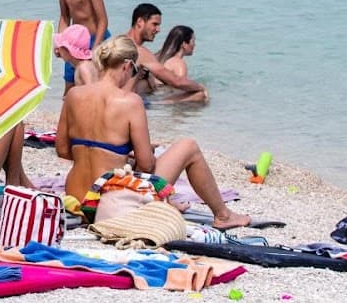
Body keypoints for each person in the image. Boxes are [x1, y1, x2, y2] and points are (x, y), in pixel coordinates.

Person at [55, 36, 247, 228]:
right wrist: (133, 154)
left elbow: (62, 150)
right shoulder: (130, 101)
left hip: (79, 200)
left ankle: (172, 204)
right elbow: (147, 165)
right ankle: (223, 216)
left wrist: (111, 154)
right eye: (134, 71)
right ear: (127, 66)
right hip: (110, 203)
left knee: (128, 162)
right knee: (188, 147)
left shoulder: (74, 95)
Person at [125, 3, 207, 102]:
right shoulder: (140, 51)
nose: (158, 30)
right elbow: (176, 82)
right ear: (140, 22)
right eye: (154, 24)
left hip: (123, 98)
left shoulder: (118, 42)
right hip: (130, 102)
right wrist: (201, 87)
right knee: (199, 95)